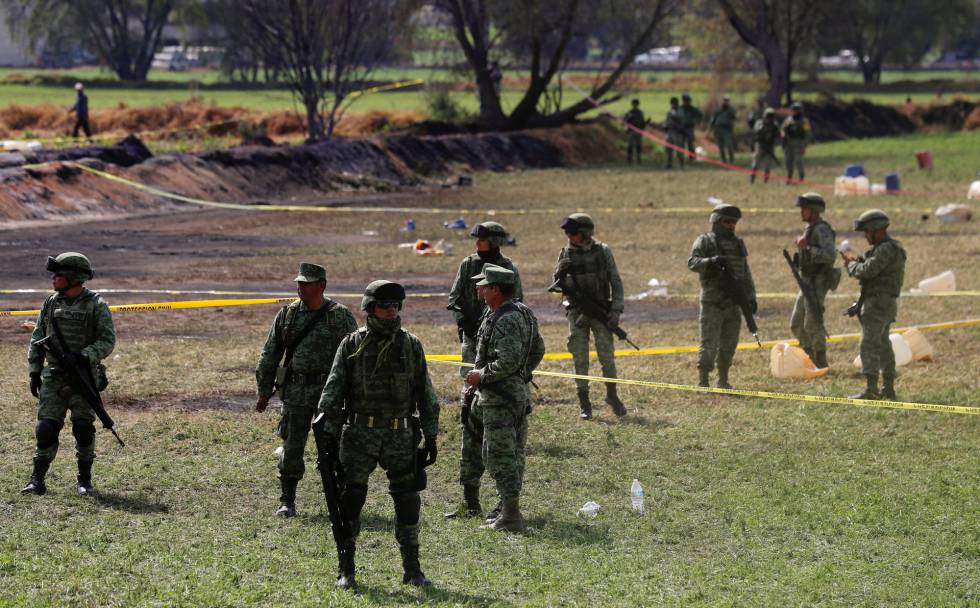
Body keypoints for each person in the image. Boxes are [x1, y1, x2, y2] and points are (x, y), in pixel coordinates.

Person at [317, 280, 440, 589]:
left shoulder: (410, 345)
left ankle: (412, 569)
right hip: (359, 433)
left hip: (400, 434)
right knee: (351, 498)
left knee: (408, 500)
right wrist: (327, 439)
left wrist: (431, 434)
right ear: (370, 308)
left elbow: (426, 393)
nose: (391, 310)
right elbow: (333, 392)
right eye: (385, 305)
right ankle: (347, 568)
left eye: (396, 305)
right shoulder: (352, 344)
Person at [255, 262, 357, 518]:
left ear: (321, 285)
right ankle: (287, 500)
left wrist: (355, 392)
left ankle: (338, 500)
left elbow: (355, 356)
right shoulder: (288, 315)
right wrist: (264, 391)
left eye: (307, 283)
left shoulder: (341, 315)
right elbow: (270, 353)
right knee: (292, 447)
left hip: (329, 394)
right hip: (296, 393)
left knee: (333, 448)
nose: (301, 287)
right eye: (299, 283)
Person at [457, 265, 544, 532]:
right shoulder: (518, 312)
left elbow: (507, 361)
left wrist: (480, 376)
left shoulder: (507, 318)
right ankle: (506, 512)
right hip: (504, 395)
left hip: (501, 399)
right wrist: (522, 374)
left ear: (496, 289)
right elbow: (537, 348)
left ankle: (511, 516)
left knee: (501, 456)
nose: (478, 289)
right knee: (503, 454)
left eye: (483, 285)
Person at [22, 252, 115, 497]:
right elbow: (37, 338)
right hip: (54, 376)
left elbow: (107, 341)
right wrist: (34, 371)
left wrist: (83, 355)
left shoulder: (97, 305)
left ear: (73, 277)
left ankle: (84, 480)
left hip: (83, 377)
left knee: (83, 428)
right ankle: (37, 480)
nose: (53, 279)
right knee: (45, 429)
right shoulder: (51, 303)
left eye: (58, 274)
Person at [552, 213, 627, 419]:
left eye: (573, 232)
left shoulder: (602, 251)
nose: (569, 236)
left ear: (585, 233)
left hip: (601, 310)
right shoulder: (565, 253)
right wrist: (559, 272)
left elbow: (616, 282)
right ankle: (584, 402)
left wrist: (616, 310)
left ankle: (612, 396)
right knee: (580, 357)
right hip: (577, 312)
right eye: (567, 232)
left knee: (607, 357)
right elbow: (556, 282)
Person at [688, 205, 757, 389]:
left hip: (733, 303)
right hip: (712, 302)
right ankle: (703, 381)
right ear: (716, 221)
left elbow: (745, 272)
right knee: (709, 343)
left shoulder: (737, 244)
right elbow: (692, 263)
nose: (731, 226)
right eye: (727, 221)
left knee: (729, 344)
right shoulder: (705, 241)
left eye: (734, 222)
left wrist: (751, 297)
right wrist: (710, 262)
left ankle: (723, 380)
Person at [840, 210, 906, 400]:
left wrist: (851, 266)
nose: (866, 235)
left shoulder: (885, 249)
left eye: (867, 231)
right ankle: (888, 388)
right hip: (882, 304)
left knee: (868, 345)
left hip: (877, 305)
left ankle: (871, 389)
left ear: (878, 230)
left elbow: (868, 271)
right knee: (884, 346)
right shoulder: (889, 248)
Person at [448, 221, 522, 385]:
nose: (476, 243)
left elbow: (517, 302)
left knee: (496, 375)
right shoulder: (468, 264)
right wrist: (463, 321)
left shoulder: (508, 268)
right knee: (469, 377)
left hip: (499, 332)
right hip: (471, 331)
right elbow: (454, 297)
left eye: (482, 240)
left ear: (494, 242)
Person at [789, 193, 839, 369]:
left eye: (805, 209)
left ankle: (820, 360)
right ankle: (809, 355)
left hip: (818, 281)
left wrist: (808, 248)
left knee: (813, 322)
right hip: (807, 280)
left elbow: (830, 255)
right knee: (796, 323)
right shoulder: (810, 228)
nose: (802, 212)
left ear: (815, 211)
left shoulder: (821, 229)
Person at [782, 102, 811, 181]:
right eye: (793, 110)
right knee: (788, 161)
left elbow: (807, 134)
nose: (795, 112)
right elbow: (783, 129)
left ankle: (801, 177)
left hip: (799, 143)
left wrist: (804, 145)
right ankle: (789, 176)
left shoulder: (804, 121)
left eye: (797, 110)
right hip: (789, 143)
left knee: (799, 161)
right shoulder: (788, 120)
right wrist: (783, 135)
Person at [750, 107, 780, 184]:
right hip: (760, 145)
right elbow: (757, 132)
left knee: (767, 164)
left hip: (770, 146)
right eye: (768, 116)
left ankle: (766, 180)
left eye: (771, 116)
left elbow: (777, 135)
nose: (769, 119)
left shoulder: (774, 125)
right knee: (756, 162)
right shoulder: (760, 123)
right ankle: (752, 179)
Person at [710, 95, 737, 164]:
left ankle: (731, 160)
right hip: (718, 129)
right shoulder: (718, 110)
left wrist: (729, 109)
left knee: (729, 145)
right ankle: (723, 160)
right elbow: (713, 119)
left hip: (727, 130)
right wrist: (711, 127)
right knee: (720, 146)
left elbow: (734, 117)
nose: (725, 102)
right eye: (724, 100)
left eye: (727, 101)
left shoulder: (731, 110)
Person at [623, 98, 648, 164]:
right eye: (634, 103)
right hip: (631, 131)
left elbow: (642, 123)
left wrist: (646, 123)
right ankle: (629, 159)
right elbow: (624, 121)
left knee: (638, 146)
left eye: (636, 104)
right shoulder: (629, 112)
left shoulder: (640, 113)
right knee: (630, 146)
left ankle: (638, 159)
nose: (635, 105)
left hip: (638, 131)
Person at [664, 97, 686, 170]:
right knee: (668, 150)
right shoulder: (670, 112)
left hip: (677, 133)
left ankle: (681, 165)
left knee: (679, 150)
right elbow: (667, 122)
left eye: (674, 103)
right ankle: (669, 164)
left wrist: (673, 116)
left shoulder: (680, 111)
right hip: (669, 132)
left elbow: (680, 119)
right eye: (672, 103)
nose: (673, 104)